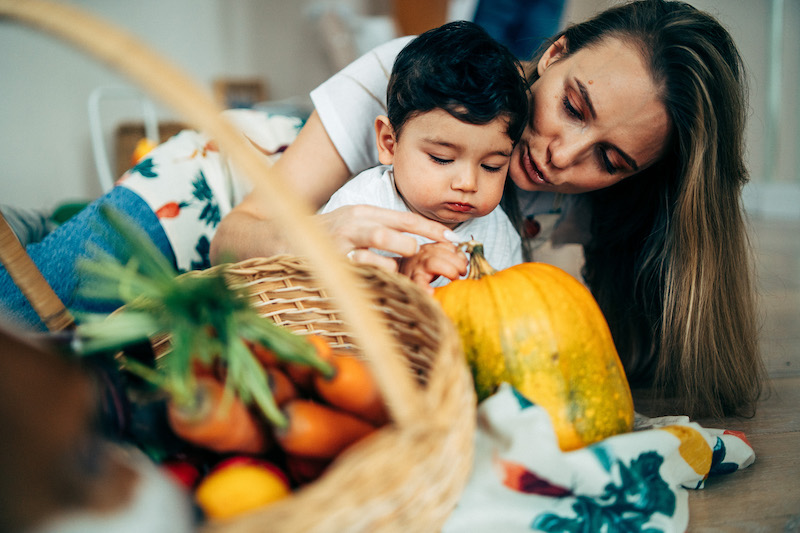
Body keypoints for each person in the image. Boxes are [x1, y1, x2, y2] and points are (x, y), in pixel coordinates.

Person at [0, 0, 764, 420]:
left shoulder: (594, 196)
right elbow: (237, 237)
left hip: (277, 303)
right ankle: (41, 230)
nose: (564, 155)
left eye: (609, 158)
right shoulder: (414, 70)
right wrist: (329, 234)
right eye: (573, 106)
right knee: (24, 336)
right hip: (210, 193)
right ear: (557, 52)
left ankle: (42, 222)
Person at [318, 21, 529, 288]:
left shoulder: (499, 229)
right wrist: (402, 271)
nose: (467, 183)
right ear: (389, 144)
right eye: (442, 158)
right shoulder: (361, 206)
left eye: (491, 166)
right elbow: (321, 298)